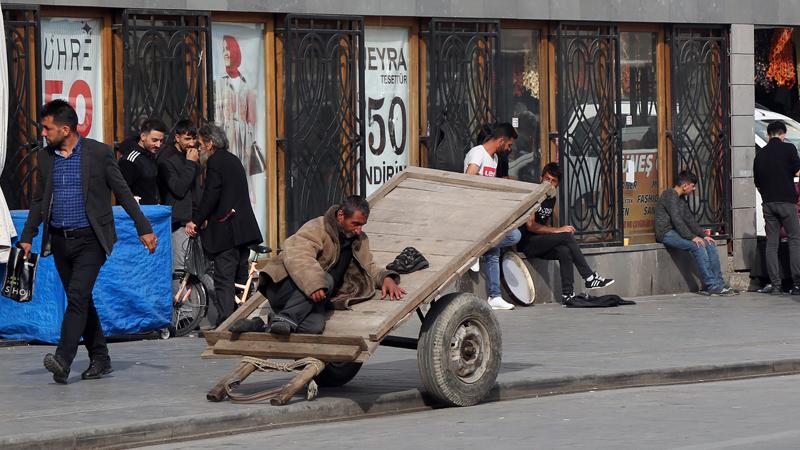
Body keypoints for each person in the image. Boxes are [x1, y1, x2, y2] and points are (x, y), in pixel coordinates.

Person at [18, 100, 158, 384]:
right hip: (59, 240)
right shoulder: (46, 158)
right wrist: (28, 236)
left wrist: (144, 227)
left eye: (47, 128)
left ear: (66, 129)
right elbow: (38, 200)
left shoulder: (98, 153)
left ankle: (62, 359)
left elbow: (123, 191)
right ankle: (101, 357)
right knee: (78, 299)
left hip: (90, 240)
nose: (44, 133)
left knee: (79, 296)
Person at [228, 196, 405, 336]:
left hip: (314, 298)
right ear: (341, 215)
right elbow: (299, 254)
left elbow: (368, 267)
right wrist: (314, 283)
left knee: (314, 327)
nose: (359, 230)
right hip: (284, 287)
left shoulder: (359, 239)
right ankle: (287, 317)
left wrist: (386, 278)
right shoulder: (317, 227)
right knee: (325, 278)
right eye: (356, 224)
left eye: (362, 225)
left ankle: (264, 324)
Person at [185, 124, 262, 326]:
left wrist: (197, 220)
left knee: (224, 279)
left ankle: (226, 322)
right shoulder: (232, 159)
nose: (198, 148)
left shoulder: (216, 161)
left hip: (227, 230)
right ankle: (239, 319)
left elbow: (212, 195)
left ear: (210, 143)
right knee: (238, 277)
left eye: (200, 144)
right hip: (242, 230)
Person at [518, 163, 614, 303]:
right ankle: (589, 277)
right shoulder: (533, 194)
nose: (549, 183)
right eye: (547, 179)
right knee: (566, 235)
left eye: (553, 181)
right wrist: (557, 231)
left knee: (564, 250)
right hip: (527, 243)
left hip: (541, 242)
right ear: (541, 178)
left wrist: (555, 233)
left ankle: (567, 294)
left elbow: (546, 223)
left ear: (558, 184)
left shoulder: (552, 198)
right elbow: (531, 225)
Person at [464, 122, 520, 310]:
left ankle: (495, 296)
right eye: (509, 145)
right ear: (501, 140)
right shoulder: (477, 153)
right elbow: (468, 180)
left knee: (495, 247)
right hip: (473, 214)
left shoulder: (494, 159)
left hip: (486, 215)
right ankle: (478, 248)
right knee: (509, 238)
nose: (509, 149)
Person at [655, 171, 736, 296]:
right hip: (666, 233)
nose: (694, 189)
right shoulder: (669, 195)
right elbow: (677, 220)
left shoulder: (681, 199)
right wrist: (692, 237)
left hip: (676, 232)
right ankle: (712, 285)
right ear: (685, 185)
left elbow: (689, 220)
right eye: (693, 186)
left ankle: (719, 284)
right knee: (697, 246)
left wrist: (704, 235)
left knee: (709, 244)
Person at [214, 34, 264, 204]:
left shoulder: (247, 84)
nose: (226, 53)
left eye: (228, 49)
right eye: (223, 50)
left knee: (243, 176)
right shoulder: (218, 83)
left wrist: (250, 140)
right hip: (225, 138)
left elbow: (253, 119)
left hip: (244, 141)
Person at [753, 120, 800, 295]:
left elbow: (757, 183)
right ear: (783, 134)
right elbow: (797, 172)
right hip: (787, 203)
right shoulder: (789, 149)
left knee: (771, 244)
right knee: (795, 240)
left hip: (768, 204)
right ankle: (797, 284)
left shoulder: (760, 155)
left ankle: (776, 285)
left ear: (768, 134)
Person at [158, 119, 200, 270]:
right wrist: (190, 163)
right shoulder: (167, 158)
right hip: (178, 222)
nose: (191, 143)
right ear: (177, 137)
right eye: (187, 138)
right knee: (180, 268)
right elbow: (179, 189)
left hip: (193, 221)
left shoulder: (191, 155)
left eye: (193, 138)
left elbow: (195, 189)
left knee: (197, 267)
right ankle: (179, 295)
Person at [119, 118, 167, 205]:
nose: (158, 145)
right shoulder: (130, 160)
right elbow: (121, 191)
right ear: (143, 137)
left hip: (153, 211)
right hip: (138, 214)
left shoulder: (150, 155)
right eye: (154, 140)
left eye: (161, 141)